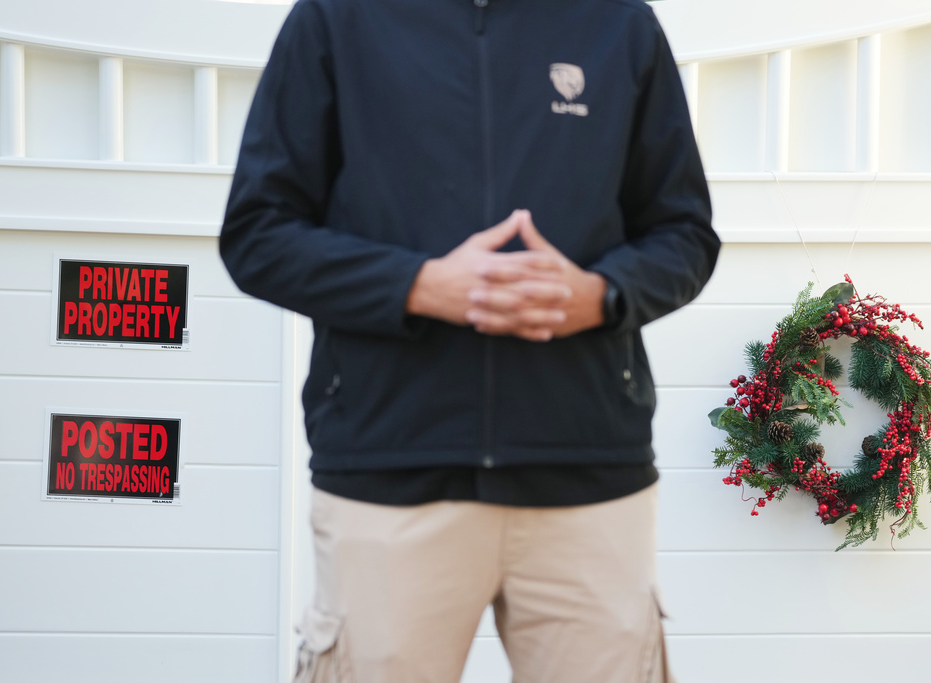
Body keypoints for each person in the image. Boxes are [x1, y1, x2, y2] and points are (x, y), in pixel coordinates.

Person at [220, 0, 720, 680]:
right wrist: (418, 286)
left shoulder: (618, 22)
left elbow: (684, 232)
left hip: (587, 477)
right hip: (390, 473)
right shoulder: (335, 19)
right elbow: (258, 234)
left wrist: (601, 296)